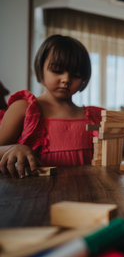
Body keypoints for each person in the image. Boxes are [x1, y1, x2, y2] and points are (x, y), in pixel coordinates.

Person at [0, 35, 103, 178]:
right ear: (41, 68)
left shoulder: (93, 117)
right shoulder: (23, 108)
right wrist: (14, 148)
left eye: (76, 74)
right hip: (35, 194)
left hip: (85, 193)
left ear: (84, 79)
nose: (66, 79)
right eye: (57, 70)